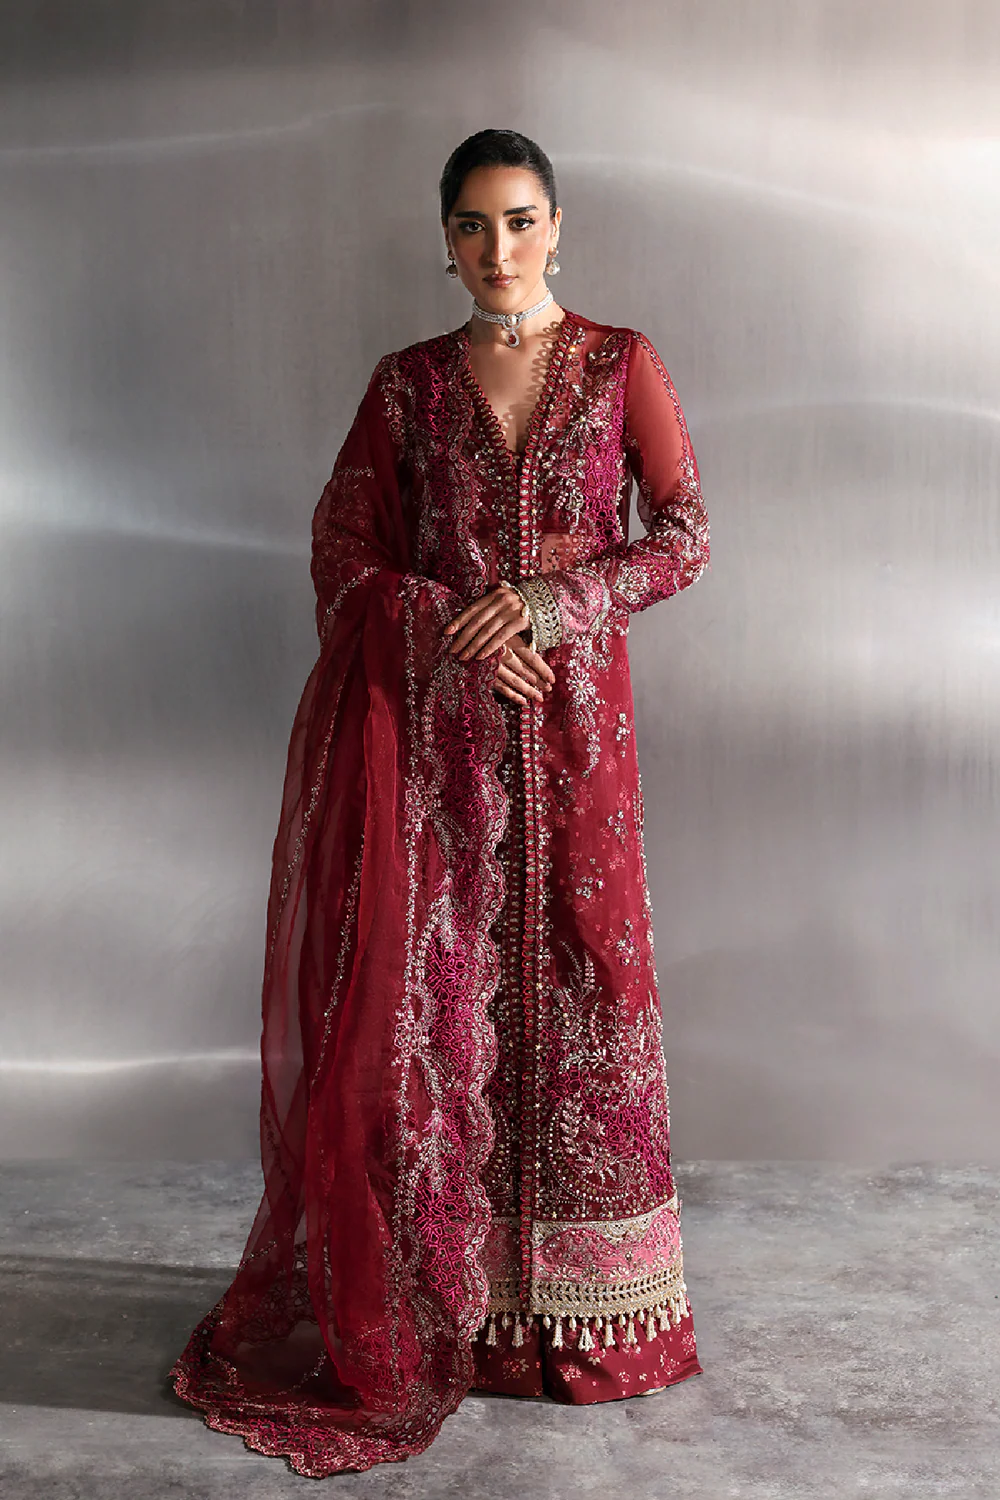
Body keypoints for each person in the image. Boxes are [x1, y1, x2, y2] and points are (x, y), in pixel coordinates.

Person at [169, 127, 711, 1478]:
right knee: (442, 998)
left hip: (579, 740)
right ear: (446, 241)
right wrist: (445, 622)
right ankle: (451, 1311)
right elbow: (343, 548)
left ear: (558, 225)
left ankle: (588, 1321)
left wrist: (551, 603)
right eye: (472, 225)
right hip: (438, 757)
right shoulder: (408, 387)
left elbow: (683, 533)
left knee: (583, 991)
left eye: (520, 220)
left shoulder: (619, 364)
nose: (498, 248)